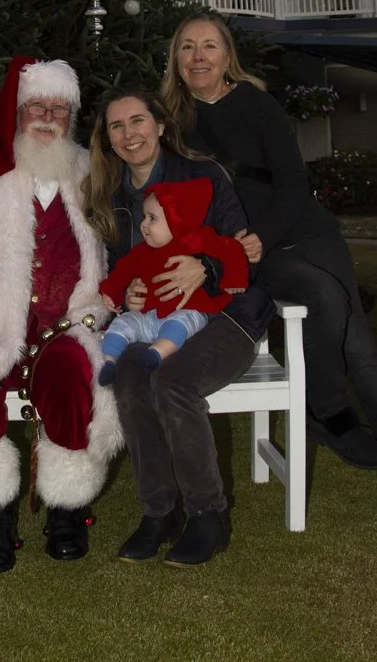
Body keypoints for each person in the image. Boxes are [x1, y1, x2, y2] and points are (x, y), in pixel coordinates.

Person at [161, 11, 377, 534]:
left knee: (361, 347)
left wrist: (261, 234)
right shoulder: (170, 120)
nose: (198, 57)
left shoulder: (257, 103)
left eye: (209, 46)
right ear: (175, 59)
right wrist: (227, 250)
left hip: (299, 228)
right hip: (241, 250)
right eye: (187, 47)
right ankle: (330, 410)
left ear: (227, 57)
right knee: (322, 297)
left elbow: (292, 182)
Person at [0, 56, 120, 573]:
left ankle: (68, 504)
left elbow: (117, 247)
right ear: (18, 111)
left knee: (75, 371)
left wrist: (97, 308)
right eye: (37, 105)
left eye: (59, 107)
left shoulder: (90, 169)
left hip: (68, 319)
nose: (48, 116)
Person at [83, 86, 275, 566]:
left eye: (138, 121)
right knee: (129, 376)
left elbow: (243, 252)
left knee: (172, 381)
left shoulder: (204, 175)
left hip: (224, 315)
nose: (129, 135)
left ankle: (208, 514)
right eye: (116, 126)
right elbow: (119, 267)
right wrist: (130, 295)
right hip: (156, 319)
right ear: (106, 138)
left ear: (161, 125)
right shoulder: (110, 196)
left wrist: (204, 267)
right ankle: (159, 511)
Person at [97, 178, 249, 386]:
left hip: (186, 310)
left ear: (177, 220)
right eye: (144, 216)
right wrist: (111, 293)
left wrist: (234, 279)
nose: (143, 224)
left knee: (181, 322)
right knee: (123, 324)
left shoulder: (197, 241)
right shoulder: (142, 252)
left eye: (152, 218)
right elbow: (122, 271)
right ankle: (109, 361)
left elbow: (231, 248)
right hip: (148, 316)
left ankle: (156, 354)